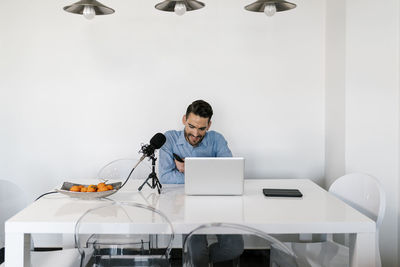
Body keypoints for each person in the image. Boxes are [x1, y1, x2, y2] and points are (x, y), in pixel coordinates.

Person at [159, 100, 244, 266]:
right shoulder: (169, 139)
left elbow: (229, 173)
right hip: (184, 205)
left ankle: (198, 261)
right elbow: (165, 177)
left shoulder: (217, 139)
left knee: (235, 247)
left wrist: (188, 169)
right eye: (191, 126)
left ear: (209, 125)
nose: (195, 134)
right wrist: (209, 173)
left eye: (201, 128)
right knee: (197, 253)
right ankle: (197, 261)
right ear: (184, 119)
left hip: (217, 202)